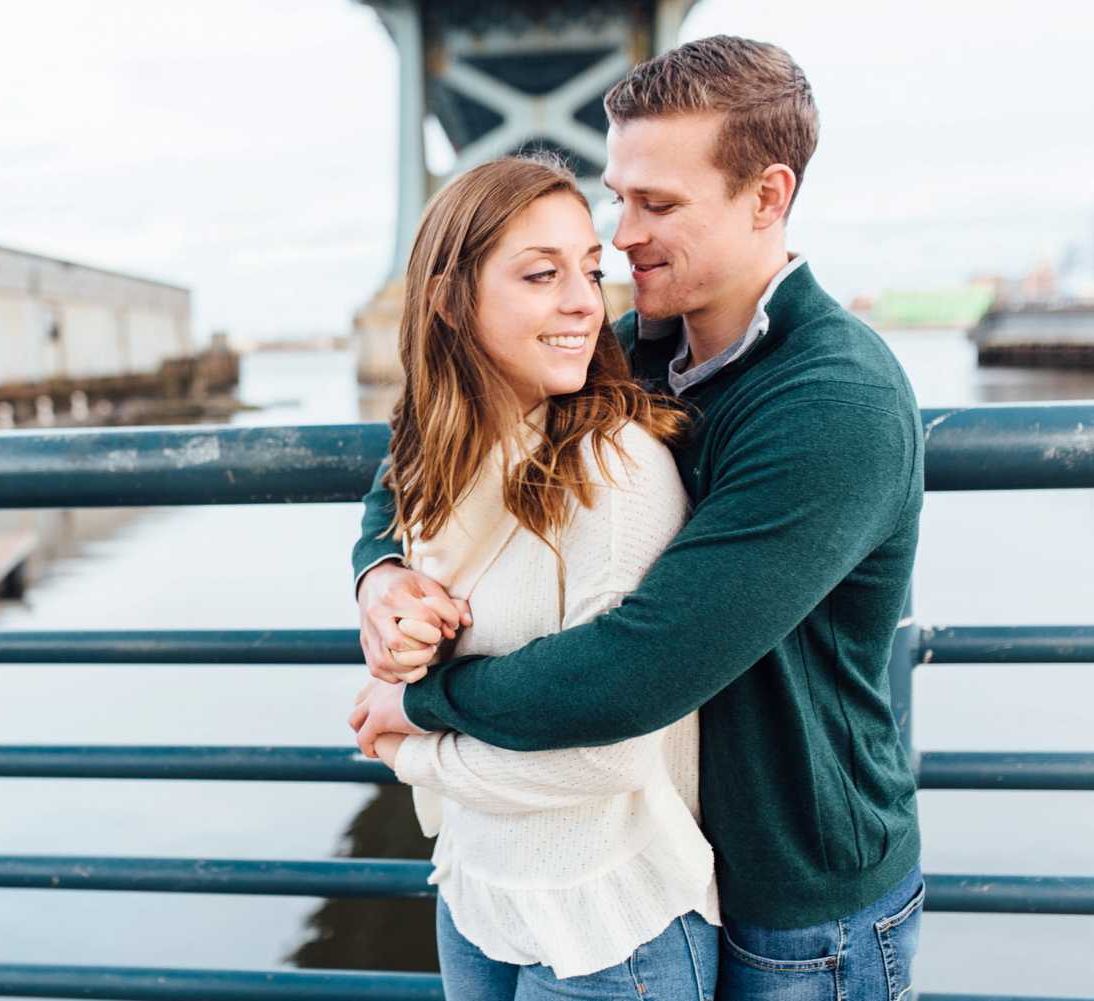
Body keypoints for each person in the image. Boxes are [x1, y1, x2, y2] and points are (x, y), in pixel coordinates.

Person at [350, 35, 926, 1001]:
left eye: (658, 203)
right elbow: (428, 447)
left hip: (798, 896)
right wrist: (382, 570)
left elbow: (638, 668)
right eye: (620, 195)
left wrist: (420, 710)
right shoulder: (625, 354)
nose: (620, 235)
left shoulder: (835, 401)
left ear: (767, 197)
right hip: (654, 866)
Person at [347, 152, 720, 1000]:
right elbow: (391, 514)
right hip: (478, 894)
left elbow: (609, 762)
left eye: (590, 269)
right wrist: (384, 586)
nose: (587, 301)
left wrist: (414, 749)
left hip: (610, 926)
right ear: (448, 299)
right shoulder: (443, 456)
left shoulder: (613, 475)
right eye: (541, 274)